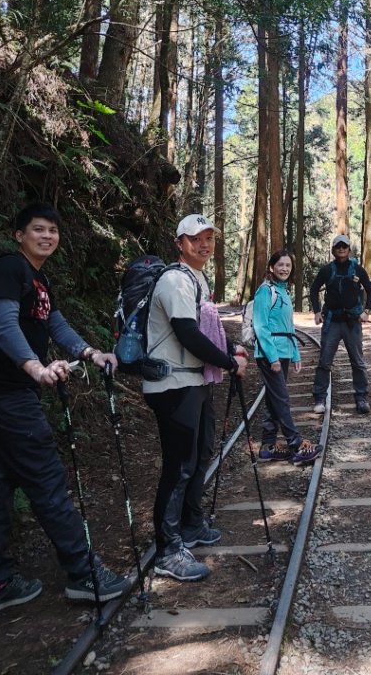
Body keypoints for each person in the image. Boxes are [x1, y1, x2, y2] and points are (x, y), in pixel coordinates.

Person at [0, 203, 131, 619]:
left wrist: (89, 352)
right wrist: (36, 367)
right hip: (5, 392)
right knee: (46, 478)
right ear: (18, 234)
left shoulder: (38, 278)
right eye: (38, 229)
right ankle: (82, 573)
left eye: (53, 230)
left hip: (6, 393)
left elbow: (55, 324)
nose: (47, 236)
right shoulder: (9, 269)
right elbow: (4, 326)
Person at [143, 213, 248, 582]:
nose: (203, 245)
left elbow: (209, 331)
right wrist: (229, 363)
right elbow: (187, 334)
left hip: (194, 383)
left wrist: (232, 349)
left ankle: (190, 524)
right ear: (179, 243)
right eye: (194, 239)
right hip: (172, 385)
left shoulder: (196, 278)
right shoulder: (174, 280)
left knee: (201, 454)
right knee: (179, 466)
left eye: (208, 239)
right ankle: (168, 550)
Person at [253, 250, 322, 465]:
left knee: (274, 400)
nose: (284, 269)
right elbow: (260, 327)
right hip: (269, 354)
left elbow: (288, 327)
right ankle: (295, 444)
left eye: (288, 266)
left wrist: (295, 354)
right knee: (281, 399)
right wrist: (272, 357)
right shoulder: (265, 292)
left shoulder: (283, 292)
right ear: (271, 267)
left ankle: (268, 446)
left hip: (283, 352)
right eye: (280, 265)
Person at [310, 235, 371, 415]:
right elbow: (314, 288)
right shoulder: (326, 270)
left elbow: (370, 290)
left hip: (352, 322)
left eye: (344, 246)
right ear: (333, 250)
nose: (341, 249)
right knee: (325, 361)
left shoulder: (357, 270)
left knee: (358, 361)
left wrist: (367, 311)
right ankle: (320, 398)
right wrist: (317, 311)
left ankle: (361, 397)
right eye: (338, 246)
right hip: (332, 321)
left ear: (349, 249)